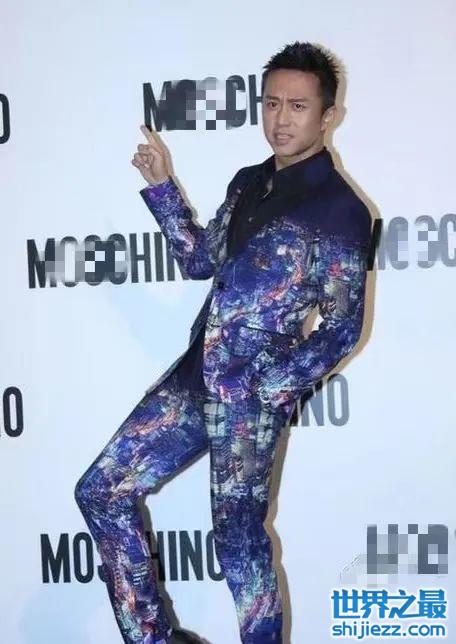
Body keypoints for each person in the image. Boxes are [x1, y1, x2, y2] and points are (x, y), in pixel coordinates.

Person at [75, 41, 372, 644]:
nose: (280, 119)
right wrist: (163, 187)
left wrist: (268, 387)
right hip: (194, 379)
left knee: (238, 541)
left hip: (250, 403)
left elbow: (342, 327)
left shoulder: (341, 212)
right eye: (271, 103)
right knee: (101, 490)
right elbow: (198, 260)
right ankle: (152, 637)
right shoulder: (248, 182)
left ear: (327, 116)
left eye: (297, 106)